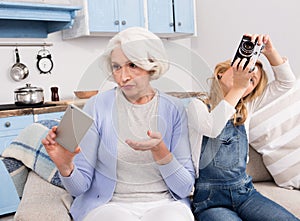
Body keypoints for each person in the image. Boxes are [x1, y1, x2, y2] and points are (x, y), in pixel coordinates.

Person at [42, 27, 195, 221]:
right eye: (116, 67)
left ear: (151, 66)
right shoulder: (96, 106)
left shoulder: (174, 108)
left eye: (132, 65)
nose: (123, 77)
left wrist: (161, 152)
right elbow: (80, 188)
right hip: (109, 206)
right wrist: (65, 166)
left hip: (165, 205)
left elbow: (184, 187)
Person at [188, 34, 300, 221]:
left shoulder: (247, 107)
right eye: (241, 70)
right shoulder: (197, 106)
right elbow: (213, 128)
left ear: (251, 92)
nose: (245, 77)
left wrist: (270, 52)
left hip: (245, 192)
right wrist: (239, 86)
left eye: (251, 80)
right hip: (210, 199)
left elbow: (287, 82)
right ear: (221, 72)